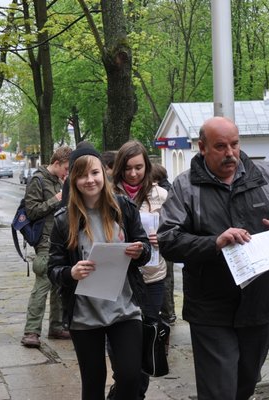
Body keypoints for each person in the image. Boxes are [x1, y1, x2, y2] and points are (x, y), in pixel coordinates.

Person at [157, 116, 269, 400]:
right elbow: (168, 239)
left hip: (257, 305)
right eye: (221, 146)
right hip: (210, 308)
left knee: (246, 382)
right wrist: (214, 243)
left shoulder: (263, 177)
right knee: (219, 390)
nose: (230, 153)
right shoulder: (185, 187)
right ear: (202, 148)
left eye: (235, 145)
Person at [48, 147, 151, 400]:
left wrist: (141, 252)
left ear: (104, 174)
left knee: (130, 377)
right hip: (84, 315)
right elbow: (52, 269)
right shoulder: (63, 220)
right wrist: (70, 272)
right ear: (73, 179)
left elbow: (145, 248)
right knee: (92, 384)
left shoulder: (123, 208)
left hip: (124, 309)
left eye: (95, 172)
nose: (90, 179)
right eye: (82, 175)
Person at [112, 141, 168, 398]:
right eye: (127, 168)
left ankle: (136, 394)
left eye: (139, 168)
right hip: (119, 280)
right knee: (120, 345)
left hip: (151, 277)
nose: (133, 174)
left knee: (146, 340)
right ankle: (123, 389)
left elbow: (176, 231)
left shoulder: (161, 195)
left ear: (147, 167)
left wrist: (163, 238)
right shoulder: (108, 193)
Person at [21, 146, 73, 348]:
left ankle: (57, 326)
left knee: (59, 284)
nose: (67, 172)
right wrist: (55, 200)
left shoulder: (59, 181)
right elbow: (32, 211)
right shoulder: (38, 180)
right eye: (66, 168)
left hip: (59, 240)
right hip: (44, 241)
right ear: (57, 162)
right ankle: (31, 331)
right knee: (43, 284)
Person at [150, 163, 175, 325]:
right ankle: (169, 313)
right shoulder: (172, 189)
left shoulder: (163, 195)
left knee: (165, 278)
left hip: (162, 244)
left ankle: (167, 313)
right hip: (165, 244)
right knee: (168, 278)